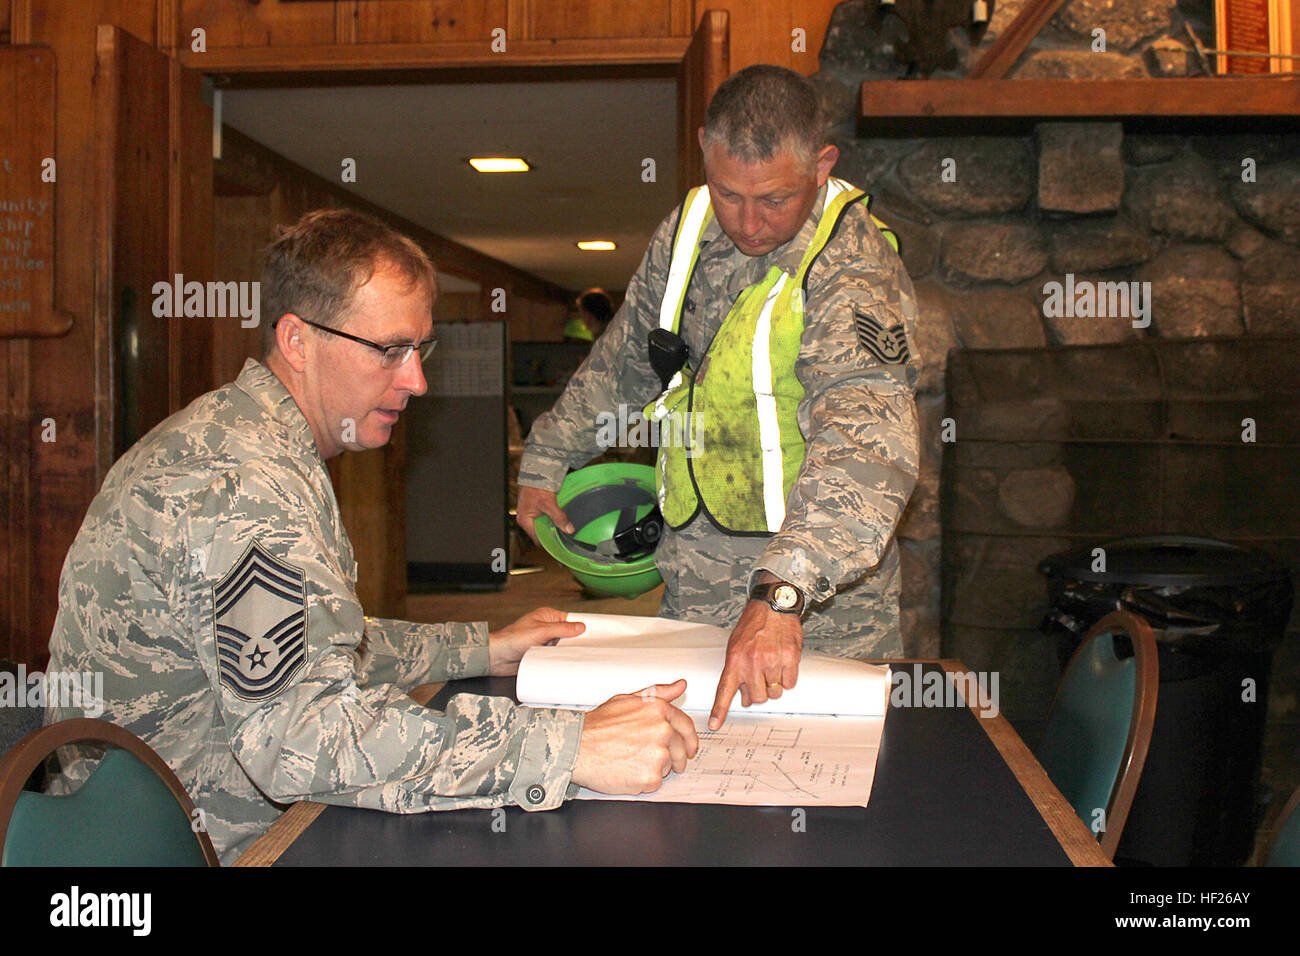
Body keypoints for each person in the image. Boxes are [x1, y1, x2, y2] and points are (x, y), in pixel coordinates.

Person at [44, 208, 697, 864]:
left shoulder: (246, 439)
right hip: (190, 848)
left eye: (421, 350)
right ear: (298, 340)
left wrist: (479, 647)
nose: (416, 381)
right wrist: (572, 747)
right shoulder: (245, 485)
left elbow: (301, 645)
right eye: (389, 350)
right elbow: (300, 740)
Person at [516, 65, 920, 732]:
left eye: (776, 199)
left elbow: (867, 439)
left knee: (828, 778)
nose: (750, 223)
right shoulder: (687, 232)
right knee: (697, 765)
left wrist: (782, 593)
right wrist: (545, 460)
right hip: (696, 575)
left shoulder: (853, 263)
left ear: (822, 167)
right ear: (704, 147)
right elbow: (623, 362)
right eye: (730, 193)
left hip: (823, 599)